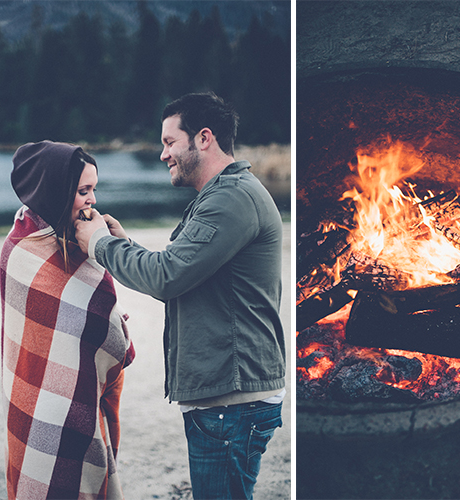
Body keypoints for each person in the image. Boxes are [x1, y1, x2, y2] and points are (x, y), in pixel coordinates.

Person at [74, 92, 286, 499]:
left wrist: (100, 243)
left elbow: (167, 277)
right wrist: (124, 245)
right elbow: (184, 278)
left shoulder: (230, 199)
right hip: (228, 397)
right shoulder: (221, 196)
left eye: (170, 142)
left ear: (203, 138)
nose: (162, 154)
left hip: (232, 399)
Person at [0, 141, 135, 500]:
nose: (92, 199)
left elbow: (100, 320)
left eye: (94, 189)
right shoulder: (20, 250)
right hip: (32, 397)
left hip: (79, 399)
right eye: (83, 191)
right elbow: (117, 343)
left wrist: (108, 246)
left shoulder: (79, 249)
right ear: (56, 192)